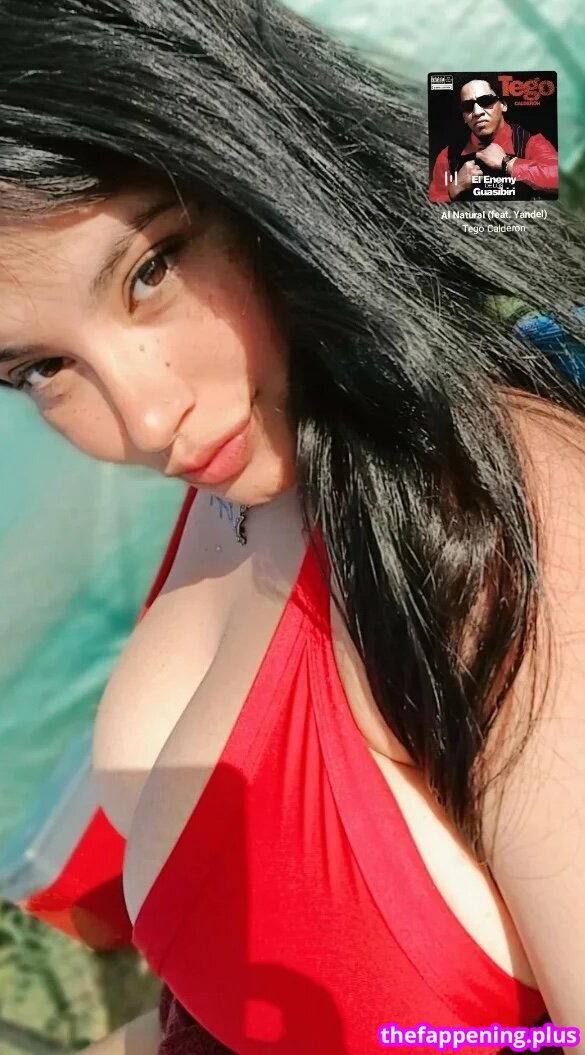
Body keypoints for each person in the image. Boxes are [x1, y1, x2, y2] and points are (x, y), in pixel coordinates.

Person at [0, 1, 584, 1052]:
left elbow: (506, 87)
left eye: (151, 269)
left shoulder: (506, 528)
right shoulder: (244, 459)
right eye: (41, 367)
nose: (145, 420)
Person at [428, 75, 559, 202]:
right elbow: (431, 202)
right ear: (464, 117)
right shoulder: (448, 156)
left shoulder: (530, 143)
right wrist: (455, 187)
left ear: (503, 105)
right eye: (468, 106)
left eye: (486, 101)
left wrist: (508, 163)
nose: (477, 112)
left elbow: (559, 179)